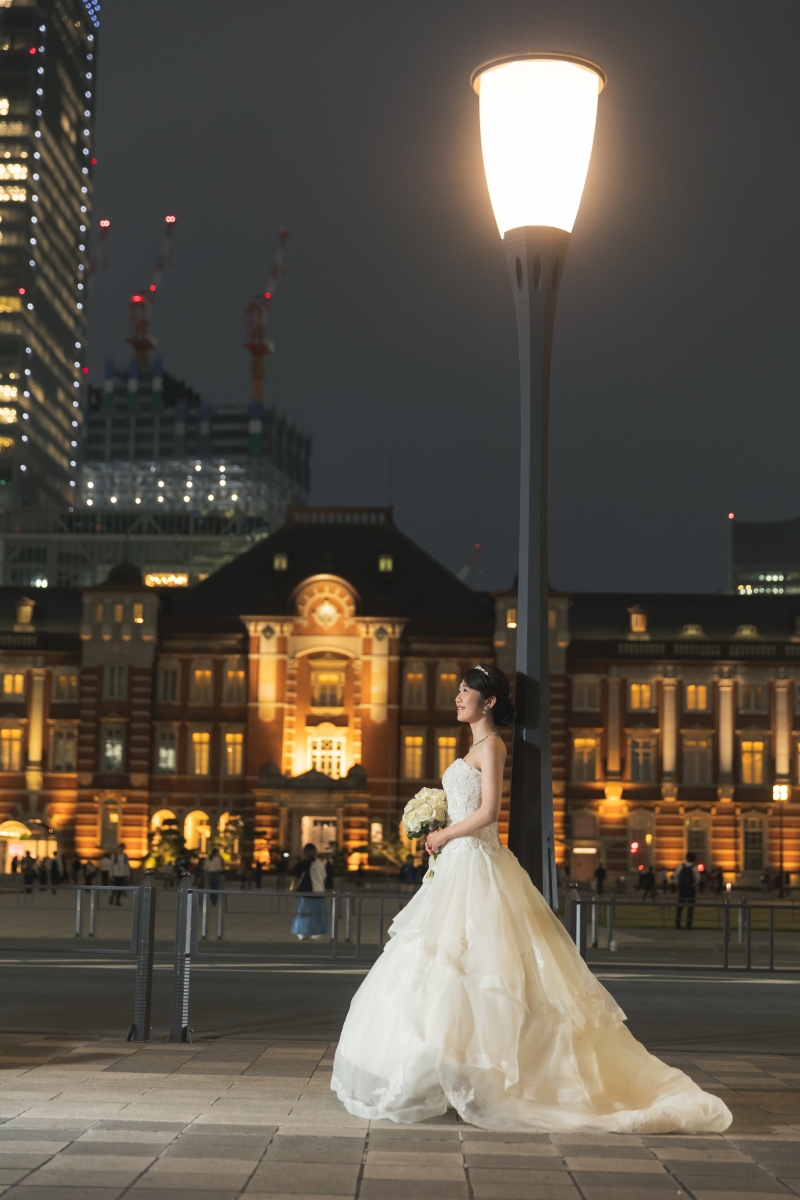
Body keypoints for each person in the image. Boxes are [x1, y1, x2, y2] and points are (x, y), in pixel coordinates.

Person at [332, 663, 731, 1134]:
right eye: (459, 690)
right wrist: (441, 831)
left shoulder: (493, 746)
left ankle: (485, 1076)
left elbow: (487, 812)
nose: (458, 698)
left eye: (467, 692)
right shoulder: (473, 747)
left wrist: (443, 832)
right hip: (457, 866)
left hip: (478, 863)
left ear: (490, 702)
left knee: (482, 973)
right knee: (444, 970)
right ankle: (447, 1074)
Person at [290, 844, 328, 940]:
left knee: (303, 913)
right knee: (318, 913)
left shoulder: (302, 864)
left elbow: (297, 877)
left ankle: (302, 931)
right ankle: (317, 931)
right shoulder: (320, 863)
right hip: (319, 891)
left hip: (305, 892)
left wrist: (294, 889)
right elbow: (324, 877)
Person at [674, 851, 700, 930]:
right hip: (691, 890)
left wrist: (678, 884)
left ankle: (678, 923)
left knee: (680, 907)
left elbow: (675, 875)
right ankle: (688, 925)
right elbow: (698, 879)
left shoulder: (681, 866)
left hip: (682, 889)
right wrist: (694, 885)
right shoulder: (694, 867)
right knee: (690, 908)